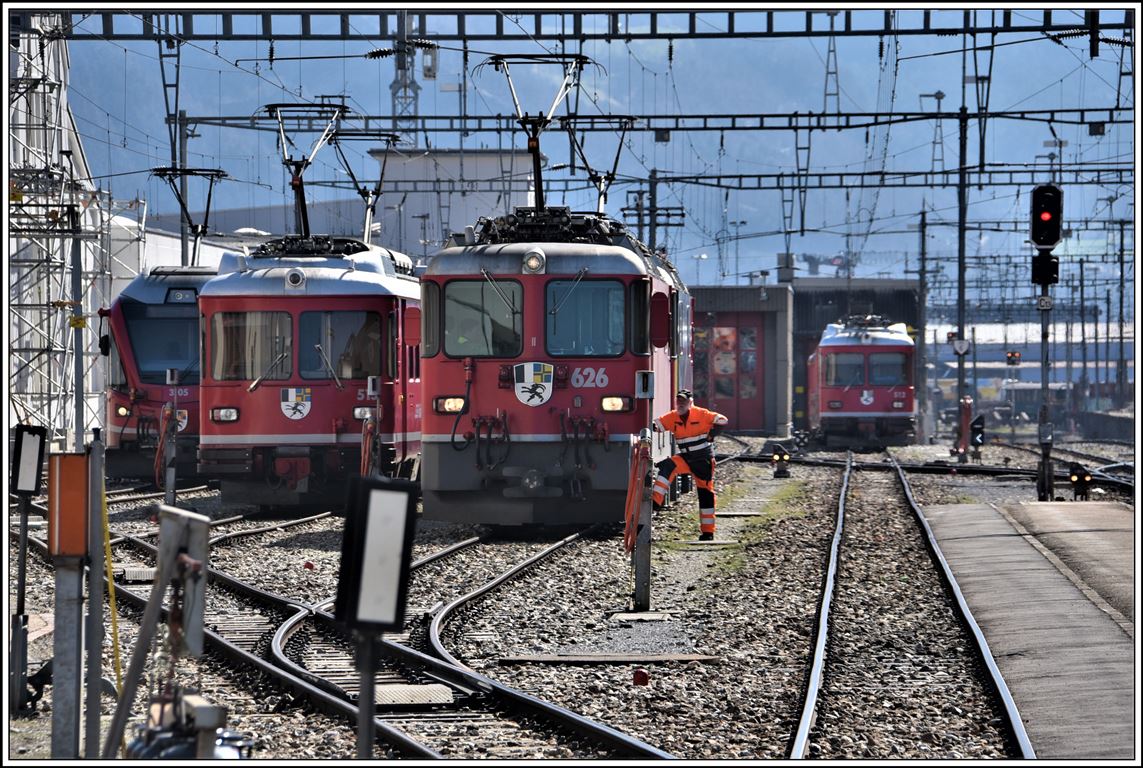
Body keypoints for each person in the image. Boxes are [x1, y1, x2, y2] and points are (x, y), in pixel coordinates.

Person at [651, 389, 729, 540]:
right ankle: (655, 502)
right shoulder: (672, 417)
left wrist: (712, 434)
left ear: (690, 402)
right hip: (686, 458)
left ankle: (708, 532)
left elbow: (723, 420)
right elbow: (656, 425)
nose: (680, 403)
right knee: (668, 465)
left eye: (684, 401)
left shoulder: (702, 414)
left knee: (705, 494)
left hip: (703, 460)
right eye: (678, 401)